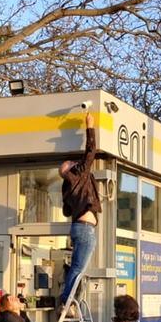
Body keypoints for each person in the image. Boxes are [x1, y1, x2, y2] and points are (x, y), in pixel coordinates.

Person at [58, 112, 101, 311]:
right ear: (69, 170)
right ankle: (66, 300)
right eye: (72, 163)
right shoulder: (78, 174)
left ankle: (69, 299)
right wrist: (89, 125)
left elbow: (67, 211)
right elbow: (90, 151)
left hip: (80, 227)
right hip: (84, 229)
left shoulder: (68, 187)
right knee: (78, 267)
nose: (77, 162)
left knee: (78, 267)